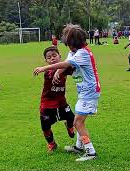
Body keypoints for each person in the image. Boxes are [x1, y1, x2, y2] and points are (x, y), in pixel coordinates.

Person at [33, 24, 101, 161]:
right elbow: (67, 61)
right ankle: (79, 146)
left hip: (89, 93)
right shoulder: (75, 51)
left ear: (71, 43)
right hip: (84, 93)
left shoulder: (83, 54)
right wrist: (58, 71)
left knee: (78, 122)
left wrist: (44, 68)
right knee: (78, 121)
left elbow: (65, 64)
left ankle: (90, 151)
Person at [37, 46, 75, 153]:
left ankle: (69, 125)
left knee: (72, 117)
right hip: (47, 103)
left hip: (61, 102)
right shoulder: (48, 71)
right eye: (49, 57)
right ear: (46, 61)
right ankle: (52, 144)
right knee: (45, 126)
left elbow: (73, 67)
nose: (52, 58)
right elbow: (54, 71)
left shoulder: (64, 68)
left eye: (54, 56)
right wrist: (58, 71)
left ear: (60, 56)